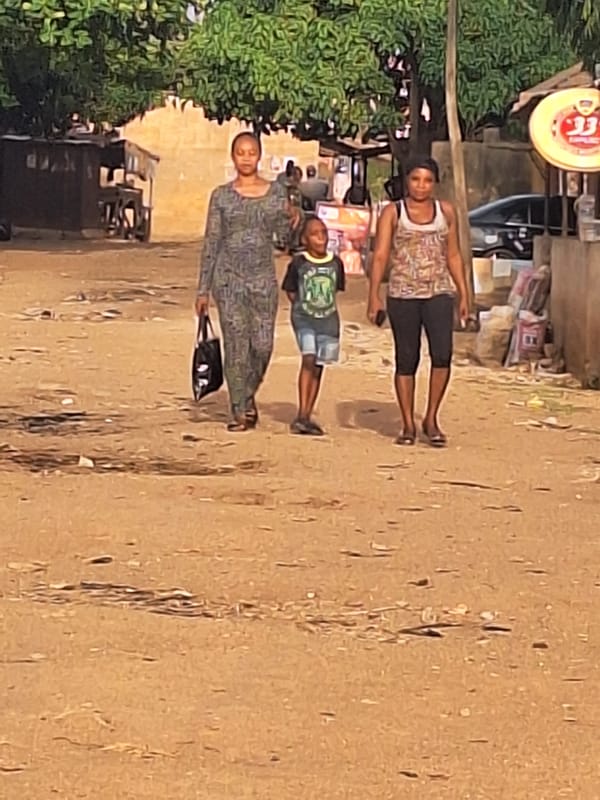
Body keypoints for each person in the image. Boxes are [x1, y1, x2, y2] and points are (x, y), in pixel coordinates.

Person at [196, 132, 300, 431]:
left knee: (263, 345)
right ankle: (239, 409)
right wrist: (203, 289)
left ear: (259, 155)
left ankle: (246, 392)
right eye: (240, 152)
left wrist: (292, 217)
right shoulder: (221, 196)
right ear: (233, 156)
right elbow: (212, 241)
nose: (245, 157)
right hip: (228, 278)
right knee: (237, 344)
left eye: (251, 152)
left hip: (262, 278)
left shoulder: (276, 194)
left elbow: (284, 240)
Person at [367, 155, 469, 447]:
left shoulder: (446, 212)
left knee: (442, 355)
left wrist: (463, 293)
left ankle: (432, 419)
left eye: (427, 180)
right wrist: (374, 294)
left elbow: (453, 254)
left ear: (435, 183)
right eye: (415, 179)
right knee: (407, 359)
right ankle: (408, 424)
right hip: (403, 294)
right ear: (406, 181)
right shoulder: (393, 212)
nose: (421, 186)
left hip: (438, 292)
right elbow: (382, 254)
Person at [282, 217, 345, 436]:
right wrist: (303, 308)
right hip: (304, 319)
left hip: (328, 321)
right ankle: (301, 412)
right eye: (314, 234)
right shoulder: (299, 263)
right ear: (304, 239)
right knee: (308, 358)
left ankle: (307, 413)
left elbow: (334, 290)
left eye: (324, 233)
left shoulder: (335, 263)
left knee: (319, 364)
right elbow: (290, 290)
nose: (320, 238)